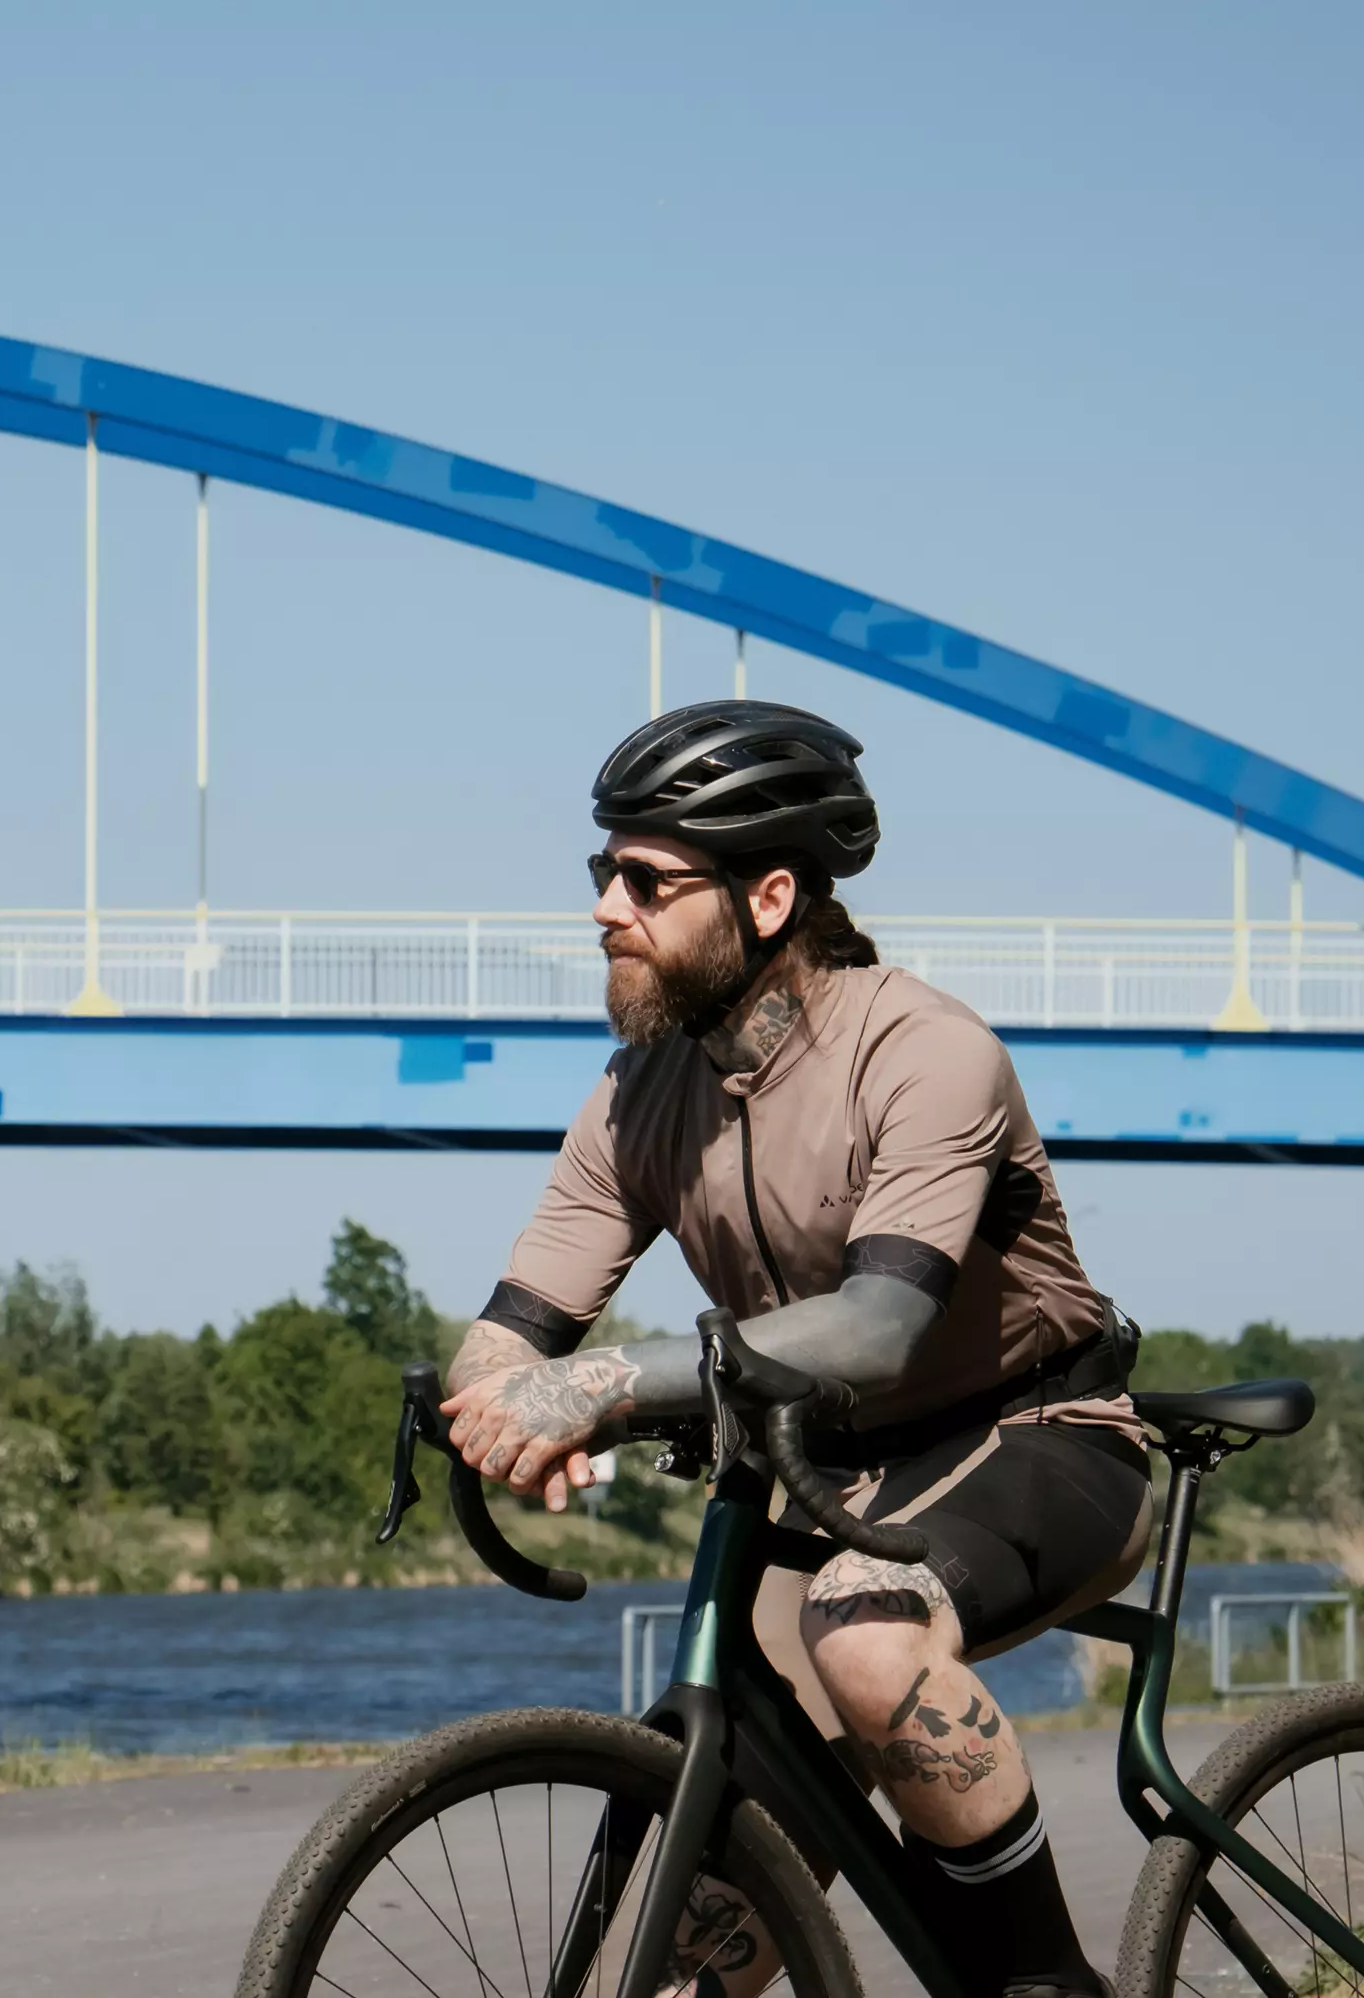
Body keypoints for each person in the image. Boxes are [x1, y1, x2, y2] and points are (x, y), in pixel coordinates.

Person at [441, 700, 1154, 1998]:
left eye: (648, 880)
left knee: (868, 1634)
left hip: (1037, 1435)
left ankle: (1050, 1983)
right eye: (602, 872)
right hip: (828, 1482)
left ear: (768, 899)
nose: (607, 907)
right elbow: (520, 1325)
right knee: (690, 1969)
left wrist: (598, 1385)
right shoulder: (638, 1096)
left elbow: (879, 1330)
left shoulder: (924, 1051)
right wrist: (489, 1405)